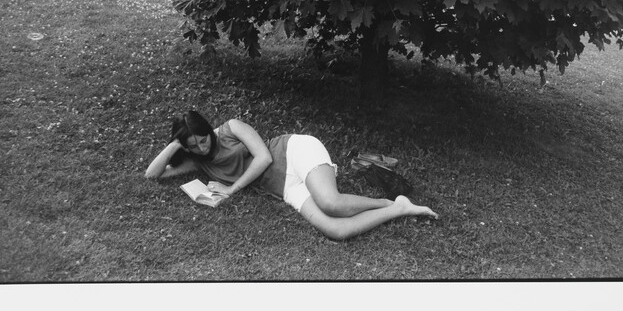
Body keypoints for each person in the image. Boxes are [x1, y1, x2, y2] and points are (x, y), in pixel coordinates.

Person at [145, 110, 438, 241]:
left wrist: (232, 190)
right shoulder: (197, 159)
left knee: (331, 203)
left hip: (294, 152)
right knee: (337, 231)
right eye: (193, 144)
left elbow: (264, 158)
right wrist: (175, 143)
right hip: (284, 187)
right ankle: (398, 207)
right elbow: (152, 175)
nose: (201, 146)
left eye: (202, 138)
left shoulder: (231, 128)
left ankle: (386, 202)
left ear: (208, 129)